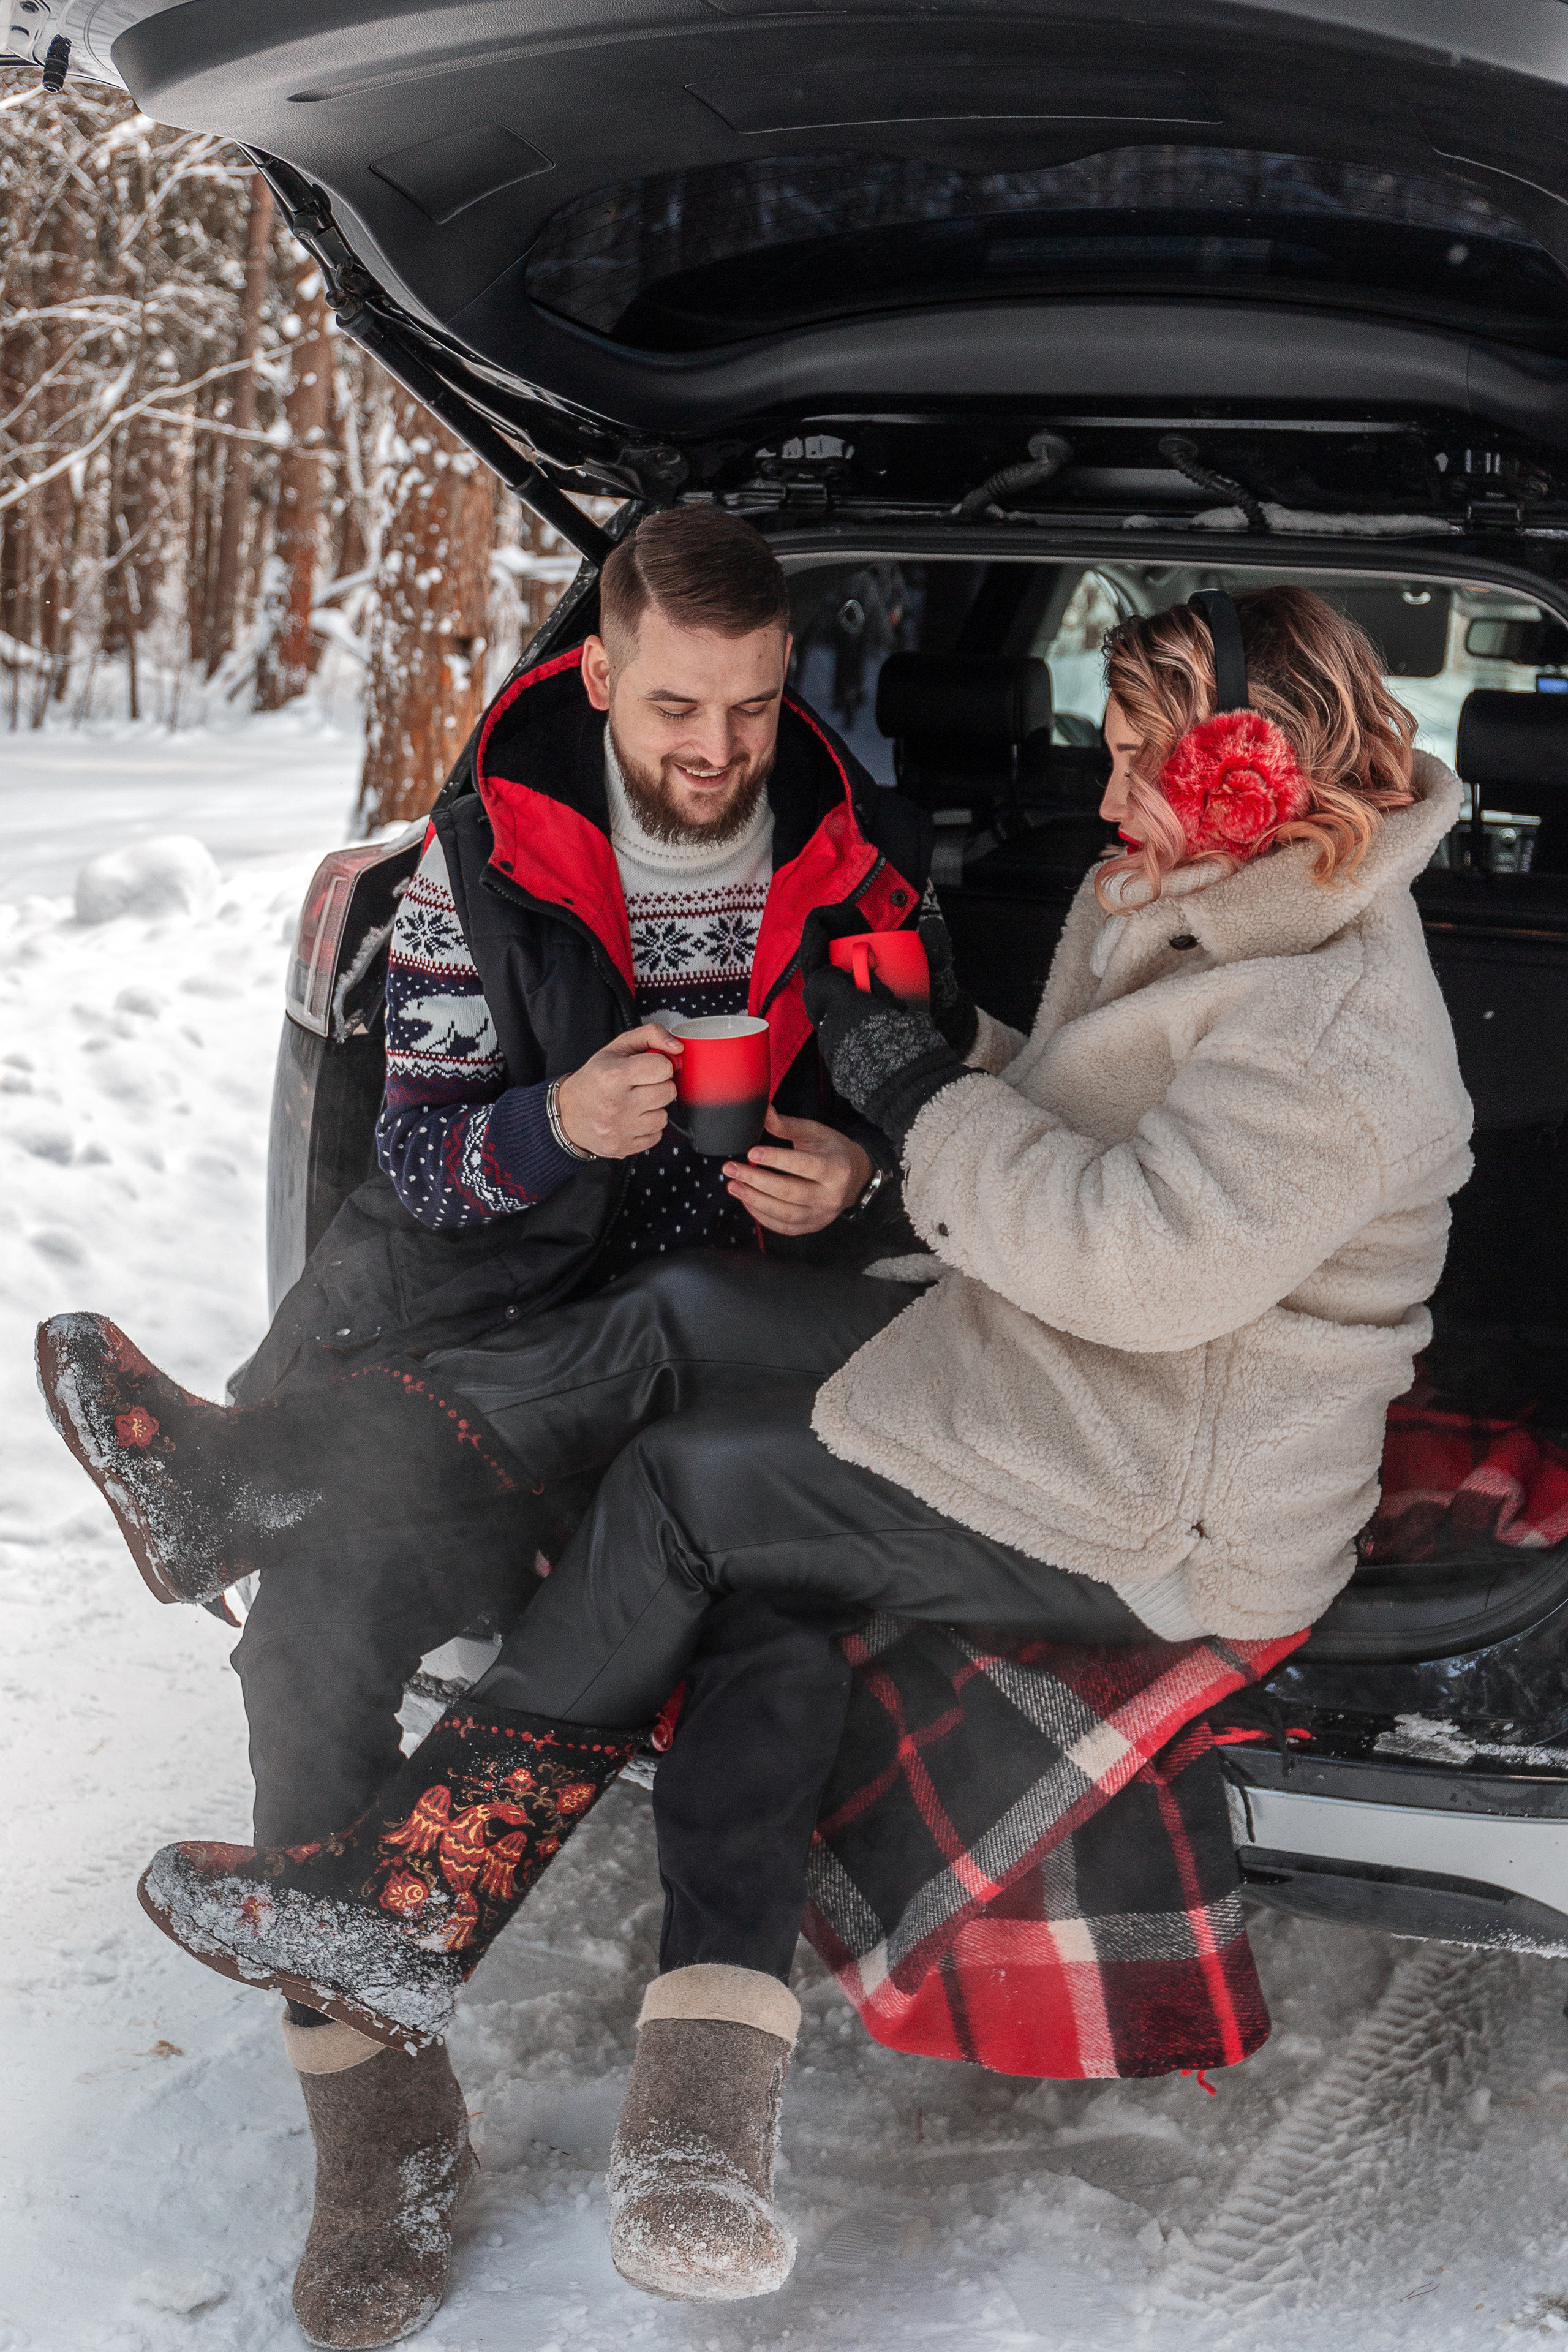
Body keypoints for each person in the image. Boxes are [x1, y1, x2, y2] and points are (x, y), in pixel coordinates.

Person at [47, 586, 1474, 2316]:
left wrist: (912, 1104)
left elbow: (1138, 1255)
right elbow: (1106, 1127)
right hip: (1071, 1374)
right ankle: (262, 1479)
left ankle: (424, 1894)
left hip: (1163, 1489)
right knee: (682, 1324)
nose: (1105, 801)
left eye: (1136, 761)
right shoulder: (1220, 897)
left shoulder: (1332, 1024)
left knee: (683, 1492)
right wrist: (951, 1063)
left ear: (1256, 769)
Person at [36, 504, 940, 2348]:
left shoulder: (857, 867)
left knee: (771, 1657)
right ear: (597, 675)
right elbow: (422, 1155)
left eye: (755, 711)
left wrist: (849, 1171)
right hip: (493, 1364)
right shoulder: (477, 869)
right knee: (314, 1636)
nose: (716, 751)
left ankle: (701, 2136)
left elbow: (929, 1122)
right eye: (679, 706)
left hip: (742, 1366)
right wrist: (555, 1134)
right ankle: (381, 2149)